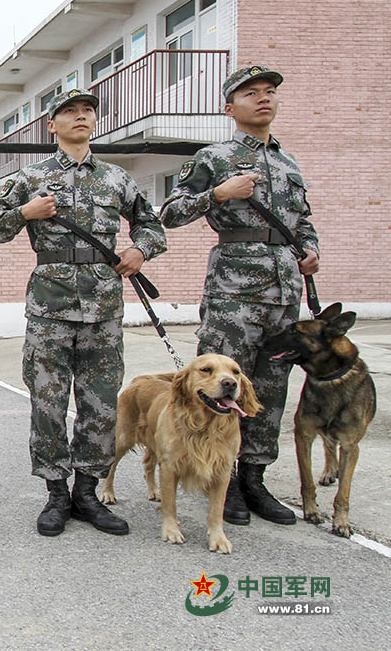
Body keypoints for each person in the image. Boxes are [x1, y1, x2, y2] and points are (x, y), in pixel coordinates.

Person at [0, 89, 166, 538]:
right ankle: (56, 494)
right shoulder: (32, 177)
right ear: (53, 125)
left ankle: (88, 491)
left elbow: (151, 223)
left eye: (87, 111)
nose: (81, 117)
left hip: (103, 308)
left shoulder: (116, 179)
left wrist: (140, 249)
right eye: (70, 111)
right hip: (50, 308)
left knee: (100, 405)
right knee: (47, 403)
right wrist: (26, 211)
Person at [161, 66, 319, 527]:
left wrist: (310, 251)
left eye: (270, 92)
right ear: (230, 108)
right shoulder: (214, 157)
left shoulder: (289, 163)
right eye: (251, 93)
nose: (264, 99)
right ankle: (220, 479)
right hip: (234, 291)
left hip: (283, 289)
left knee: (269, 388)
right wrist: (219, 193)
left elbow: (302, 221)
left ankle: (254, 478)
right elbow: (172, 212)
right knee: (219, 387)